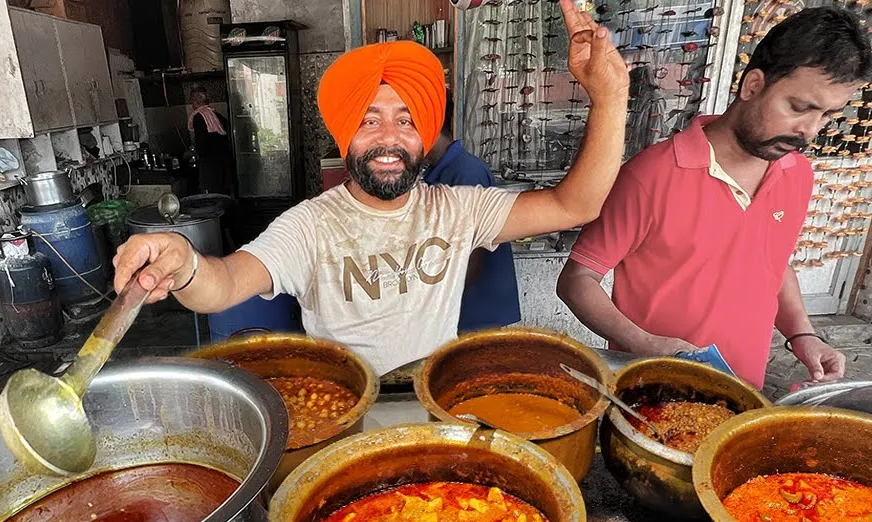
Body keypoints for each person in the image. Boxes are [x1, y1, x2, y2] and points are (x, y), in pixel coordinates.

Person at [114, 0, 628, 375]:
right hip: (348, 411)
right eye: (369, 121)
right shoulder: (311, 226)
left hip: (436, 403)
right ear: (346, 136)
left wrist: (609, 98)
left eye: (406, 121)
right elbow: (224, 284)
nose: (389, 138)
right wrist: (184, 261)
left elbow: (575, 204)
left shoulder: (457, 209)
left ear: (424, 135)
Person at [556, 6, 872, 388]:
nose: (809, 131)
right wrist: (646, 344)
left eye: (827, 116)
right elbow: (578, 279)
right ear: (753, 85)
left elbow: (774, 263)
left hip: (744, 390)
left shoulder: (797, 174)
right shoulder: (653, 174)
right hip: (652, 387)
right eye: (799, 108)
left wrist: (803, 335)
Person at [423, 101, 522, 334]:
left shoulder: (466, 171)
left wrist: (438, 302)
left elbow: (473, 254)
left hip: (476, 308)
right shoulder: (440, 170)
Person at [188, 87, 234, 196]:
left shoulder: (199, 117)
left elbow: (201, 146)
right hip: (224, 164)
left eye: (192, 101)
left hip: (210, 167)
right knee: (224, 196)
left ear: (196, 101)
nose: (191, 104)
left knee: (212, 197)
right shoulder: (217, 116)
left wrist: (192, 153)